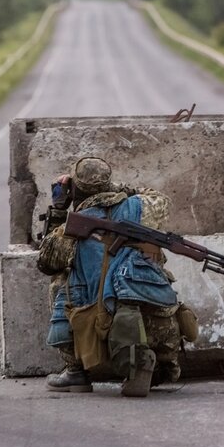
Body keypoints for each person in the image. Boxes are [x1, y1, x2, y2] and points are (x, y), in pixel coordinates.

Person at [37, 156, 184, 397]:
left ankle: (76, 371)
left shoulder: (68, 233)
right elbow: (162, 200)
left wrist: (59, 209)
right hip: (151, 319)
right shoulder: (140, 207)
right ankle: (152, 365)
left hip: (97, 323)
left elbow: (45, 262)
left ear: (75, 189)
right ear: (108, 184)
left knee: (60, 283)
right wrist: (119, 189)